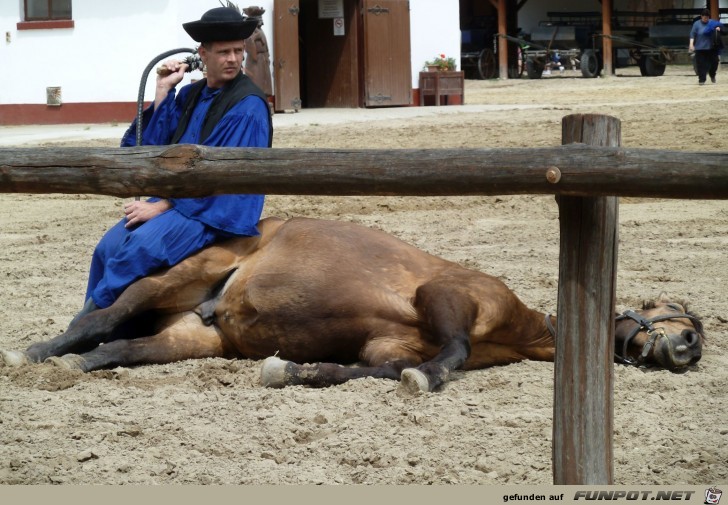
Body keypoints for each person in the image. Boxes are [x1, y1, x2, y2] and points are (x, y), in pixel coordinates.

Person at [70, 6, 273, 325]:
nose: (233, 59)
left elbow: (222, 179)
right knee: (107, 246)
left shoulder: (247, 107)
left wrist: (161, 206)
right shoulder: (191, 95)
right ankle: (115, 326)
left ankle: (86, 328)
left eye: (238, 50)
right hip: (181, 202)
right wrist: (163, 91)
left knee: (138, 249)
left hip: (214, 212)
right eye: (223, 52)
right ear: (202, 54)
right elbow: (148, 150)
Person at [242, 6, 273, 100]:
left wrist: (267, 56)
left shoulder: (260, 30)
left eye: (261, 18)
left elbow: (265, 45)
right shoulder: (250, 31)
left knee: (265, 81)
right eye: (258, 19)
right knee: (257, 80)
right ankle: (257, 99)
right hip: (255, 60)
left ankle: (265, 98)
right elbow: (247, 43)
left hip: (263, 58)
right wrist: (255, 36)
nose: (261, 20)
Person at [689, 9, 724, 85]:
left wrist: (719, 29)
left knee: (714, 63)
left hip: (711, 48)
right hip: (700, 48)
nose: (705, 19)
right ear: (701, 17)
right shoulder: (696, 24)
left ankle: (712, 75)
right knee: (701, 65)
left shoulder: (712, 23)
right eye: (704, 17)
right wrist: (691, 44)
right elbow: (692, 34)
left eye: (707, 18)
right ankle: (702, 80)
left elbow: (722, 29)